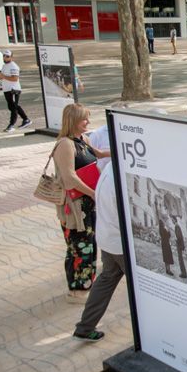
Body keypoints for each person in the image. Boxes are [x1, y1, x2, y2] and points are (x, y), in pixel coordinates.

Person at [51, 103, 110, 303]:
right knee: (79, 246)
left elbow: (99, 154)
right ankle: (77, 290)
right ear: (73, 120)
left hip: (88, 203)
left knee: (90, 243)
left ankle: (87, 284)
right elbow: (69, 177)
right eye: (84, 118)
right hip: (76, 205)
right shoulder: (65, 145)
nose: (88, 122)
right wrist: (93, 193)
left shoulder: (83, 139)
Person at [72, 162, 123, 342]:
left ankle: (85, 327)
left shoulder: (110, 168)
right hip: (120, 244)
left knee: (107, 278)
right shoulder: (120, 176)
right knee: (145, 289)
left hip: (107, 237)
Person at [0, 50, 31, 132]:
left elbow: (15, 78)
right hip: (7, 89)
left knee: (13, 107)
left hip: (13, 89)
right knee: (12, 106)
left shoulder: (13, 66)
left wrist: (3, 76)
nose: (5, 57)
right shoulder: (4, 66)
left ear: (11, 57)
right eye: (4, 56)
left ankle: (11, 125)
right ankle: (26, 120)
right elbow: (3, 77)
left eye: (7, 56)